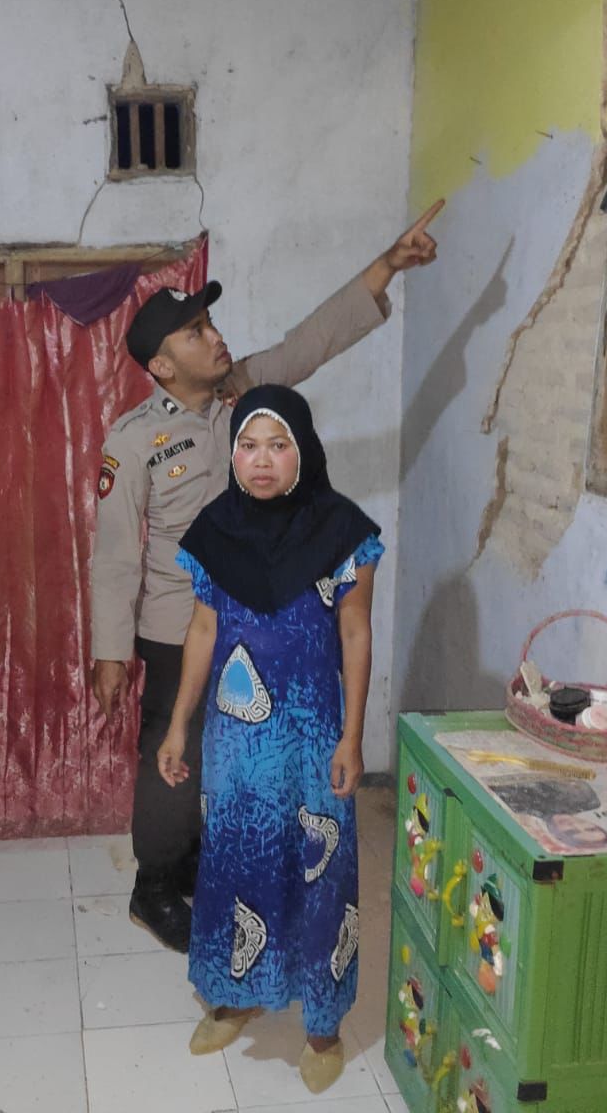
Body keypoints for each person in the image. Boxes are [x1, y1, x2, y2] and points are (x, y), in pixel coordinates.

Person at [92, 202, 443, 951]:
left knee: (236, 752)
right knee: (174, 750)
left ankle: (203, 860)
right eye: (195, 332)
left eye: (210, 324)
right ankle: (154, 884)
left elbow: (312, 341)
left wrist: (387, 265)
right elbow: (116, 553)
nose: (214, 336)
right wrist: (111, 651)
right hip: (176, 625)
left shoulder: (245, 393)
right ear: (162, 366)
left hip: (257, 618)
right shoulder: (134, 440)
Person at [157, 384, 382, 1094]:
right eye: (248, 446)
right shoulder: (214, 532)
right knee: (236, 859)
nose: (260, 461)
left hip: (314, 735)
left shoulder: (344, 535)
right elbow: (202, 630)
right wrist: (179, 723)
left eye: (278, 446)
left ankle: (323, 1024)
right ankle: (237, 994)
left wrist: (352, 738)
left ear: (303, 451)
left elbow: (355, 634)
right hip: (237, 742)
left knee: (322, 873)